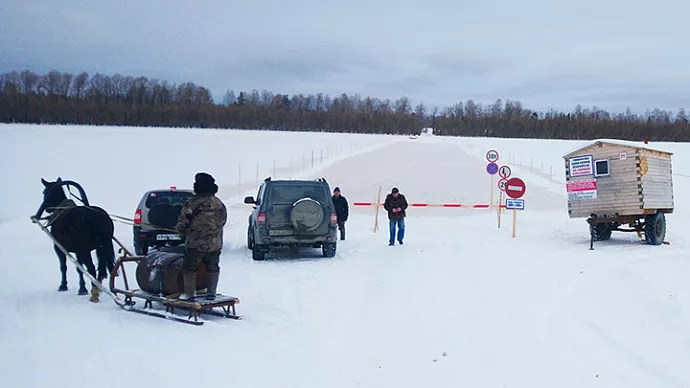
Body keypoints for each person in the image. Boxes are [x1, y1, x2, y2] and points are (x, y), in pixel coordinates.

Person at [174, 172, 227, 301]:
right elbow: (223, 220)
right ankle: (211, 293)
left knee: (190, 268)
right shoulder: (218, 203)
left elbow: (184, 221)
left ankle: (190, 294)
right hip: (215, 243)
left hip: (195, 243)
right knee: (212, 267)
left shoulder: (194, 203)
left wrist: (181, 231)